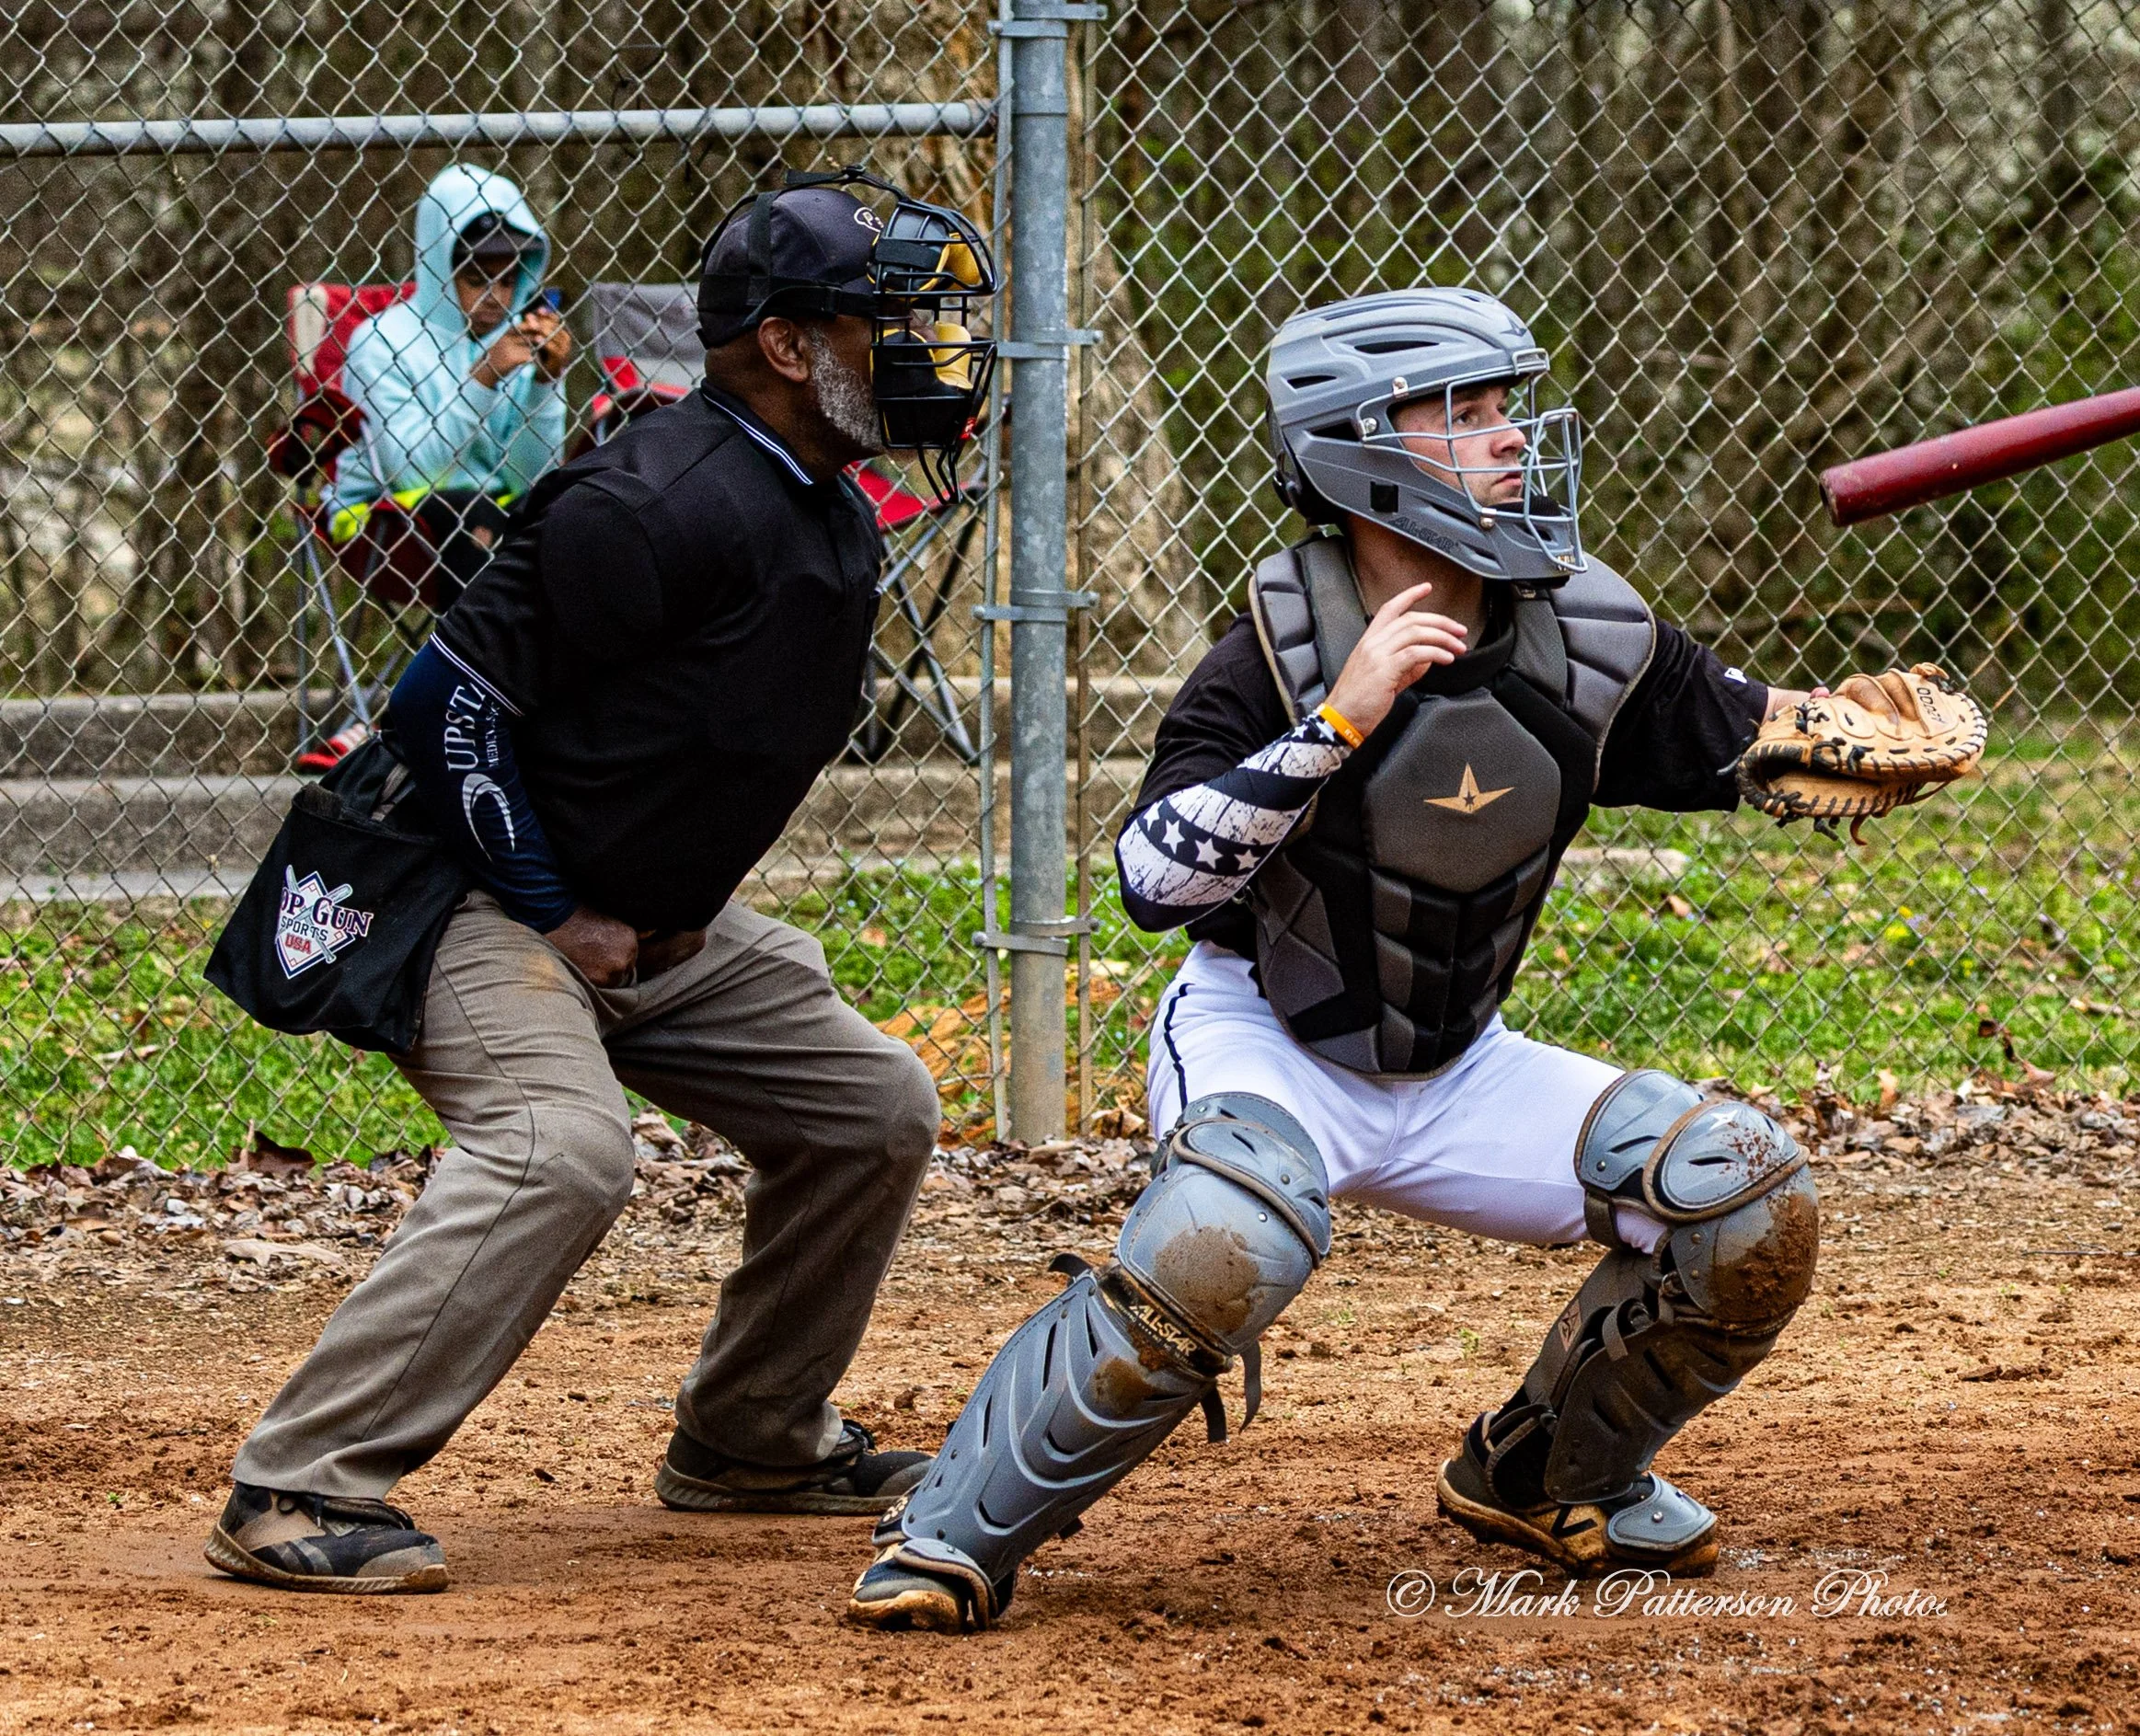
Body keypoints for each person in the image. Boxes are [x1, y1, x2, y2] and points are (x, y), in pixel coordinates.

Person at [846, 286, 1824, 1633]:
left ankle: (1545, 1468)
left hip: (1454, 1063)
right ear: (1364, 454)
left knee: (1748, 1199)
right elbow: (1150, 880)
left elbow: (1748, 731)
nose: (1507, 442)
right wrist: (1340, 715)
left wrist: (1849, 737)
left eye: (1503, 412)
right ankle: (949, 1527)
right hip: (1263, 1035)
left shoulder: (1580, 628)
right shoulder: (1274, 646)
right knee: (1219, 1242)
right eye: (1468, 416)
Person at [204, 171, 999, 1594]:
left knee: (870, 1106)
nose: (932, 350)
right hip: (468, 891)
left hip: (638, 919)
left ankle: (750, 1438)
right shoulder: (652, 503)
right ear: (781, 343)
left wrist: (628, 915)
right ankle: (296, 1482)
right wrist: (554, 904)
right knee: (558, 1145)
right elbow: (442, 705)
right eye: (890, 321)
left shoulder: (819, 502)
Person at [329, 165, 572, 609]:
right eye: (477, 280)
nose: (496, 297)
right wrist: (482, 378)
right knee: (471, 515)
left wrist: (544, 384)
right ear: (440, 268)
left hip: (494, 513)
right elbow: (411, 471)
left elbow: (529, 477)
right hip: (385, 518)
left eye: (508, 278)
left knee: (582, 512)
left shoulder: (518, 339)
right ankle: (476, 674)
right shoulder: (379, 341)